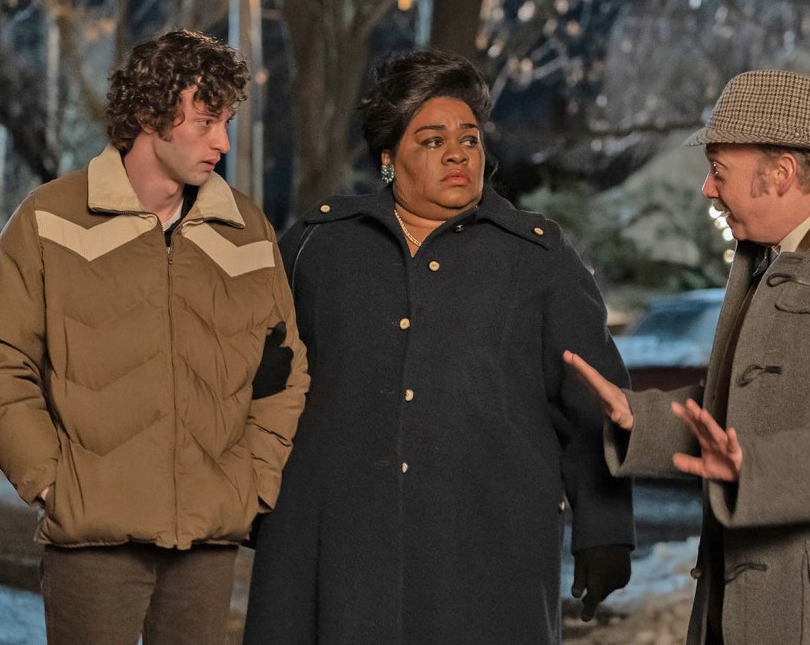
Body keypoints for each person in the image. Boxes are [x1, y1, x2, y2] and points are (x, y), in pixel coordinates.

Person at [244, 49, 634, 644]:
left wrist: (604, 531)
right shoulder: (317, 248)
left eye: (469, 139)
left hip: (487, 546)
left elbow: (594, 402)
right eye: (432, 141)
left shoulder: (538, 258)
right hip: (336, 544)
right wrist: (248, 497)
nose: (457, 154)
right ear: (387, 159)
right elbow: (261, 381)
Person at [565, 70, 810, 644]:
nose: (707, 189)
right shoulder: (771, 266)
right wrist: (638, 420)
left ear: (781, 173)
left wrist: (754, 468)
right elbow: (743, 413)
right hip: (747, 612)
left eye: (718, 169)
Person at [0, 29, 310, 643]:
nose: (223, 143)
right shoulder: (51, 218)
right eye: (206, 122)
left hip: (205, 543)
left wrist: (252, 482)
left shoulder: (246, 231)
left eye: (226, 123)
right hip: (94, 542)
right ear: (150, 114)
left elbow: (281, 371)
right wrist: (49, 479)